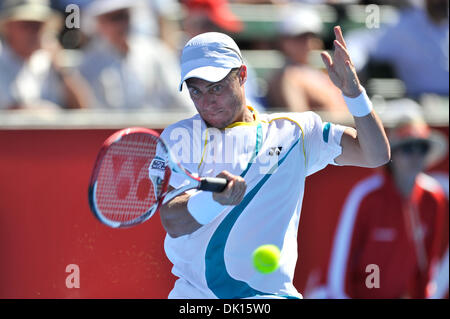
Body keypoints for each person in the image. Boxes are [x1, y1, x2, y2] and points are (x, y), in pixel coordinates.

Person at [150, 26, 390, 299]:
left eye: (216, 87)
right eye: (196, 92)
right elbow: (173, 219)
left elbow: (375, 155)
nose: (207, 102)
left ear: (242, 75)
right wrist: (215, 200)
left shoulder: (296, 130)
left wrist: (354, 94)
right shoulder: (179, 137)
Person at [325, 105, 448, 298]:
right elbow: (339, 270)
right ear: (393, 154)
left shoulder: (434, 198)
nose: (416, 156)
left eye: (422, 147)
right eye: (408, 148)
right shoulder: (366, 197)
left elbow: (427, 268)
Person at [77, 0, 194, 111]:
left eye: (124, 16)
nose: (121, 24)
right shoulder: (88, 64)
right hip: (110, 131)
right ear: (99, 24)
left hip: (156, 129)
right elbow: (91, 112)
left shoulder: (156, 53)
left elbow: (179, 98)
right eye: (114, 19)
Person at [0, 0, 88, 109]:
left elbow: (82, 108)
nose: (34, 32)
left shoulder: (50, 60)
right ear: (8, 27)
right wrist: (45, 113)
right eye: (26, 25)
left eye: (38, 26)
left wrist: (63, 68)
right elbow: (8, 110)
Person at [266, 5, 348, 113]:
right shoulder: (287, 78)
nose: (308, 43)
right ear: (283, 41)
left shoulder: (320, 73)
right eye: (300, 37)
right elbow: (300, 123)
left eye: (311, 36)